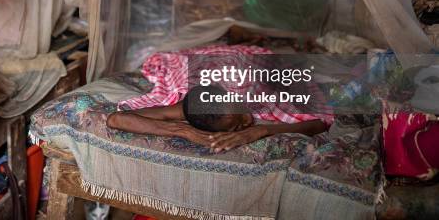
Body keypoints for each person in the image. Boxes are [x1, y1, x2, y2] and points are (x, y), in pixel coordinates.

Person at [107, 85, 327, 153]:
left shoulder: (257, 94)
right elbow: (117, 119)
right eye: (238, 127)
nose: (247, 123)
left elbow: (320, 122)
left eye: (242, 115)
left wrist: (261, 131)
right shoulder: (192, 109)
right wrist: (183, 131)